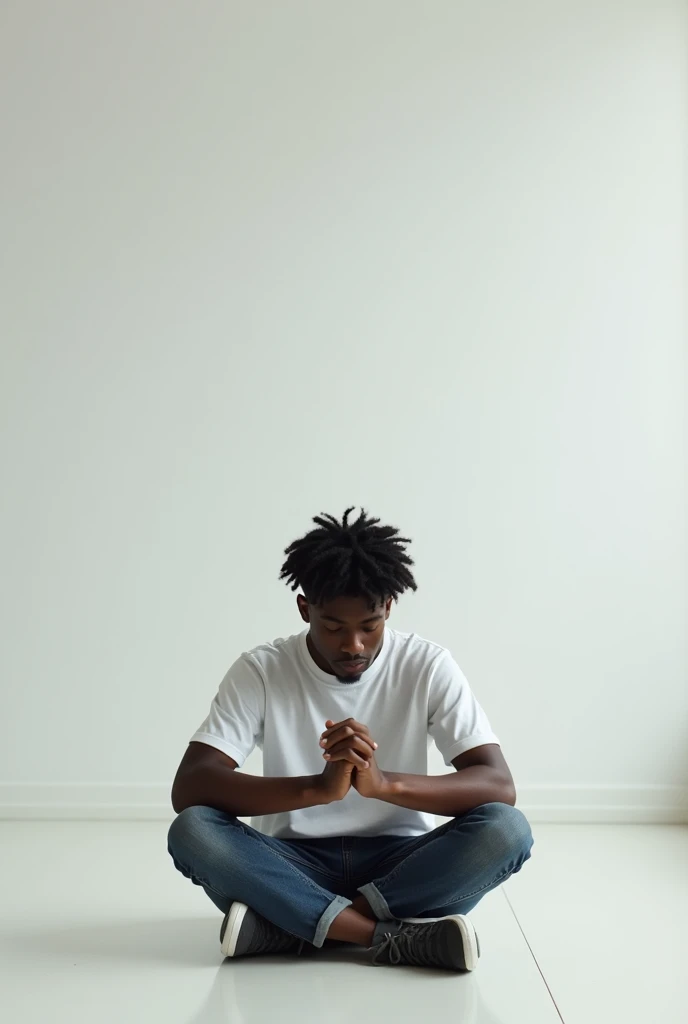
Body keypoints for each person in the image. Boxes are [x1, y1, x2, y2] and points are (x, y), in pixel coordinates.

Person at [168, 508, 533, 971]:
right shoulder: (262, 670)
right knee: (194, 831)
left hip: (402, 866)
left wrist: (383, 785)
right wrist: (316, 790)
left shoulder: (426, 665)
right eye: (334, 626)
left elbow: (497, 785)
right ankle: (390, 938)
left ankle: (295, 926)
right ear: (305, 609)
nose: (353, 645)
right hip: (291, 862)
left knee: (506, 829)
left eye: (370, 625)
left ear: (389, 608)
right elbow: (192, 785)